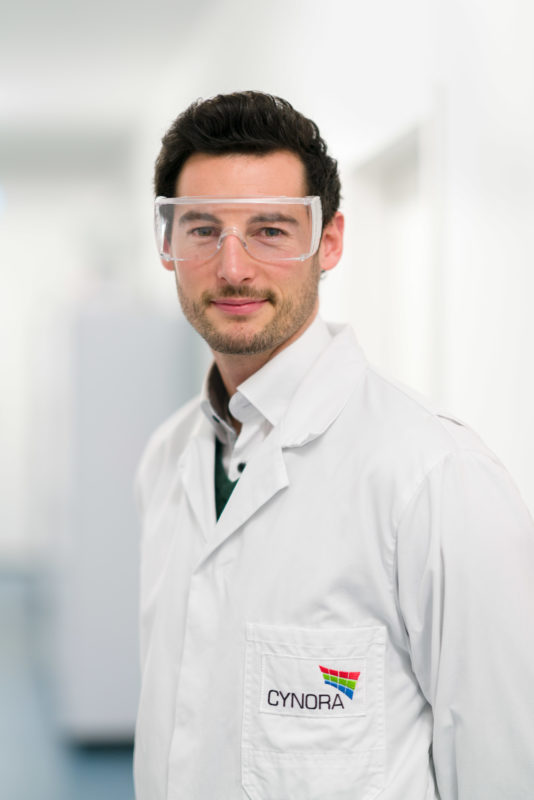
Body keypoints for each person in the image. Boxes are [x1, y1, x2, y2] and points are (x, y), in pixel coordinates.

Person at [133, 91, 534, 800]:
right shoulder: (166, 460)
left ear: (332, 240)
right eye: (201, 229)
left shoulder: (435, 477)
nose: (232, 268)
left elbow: (506, 769)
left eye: (270, 230)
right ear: (167, 244)